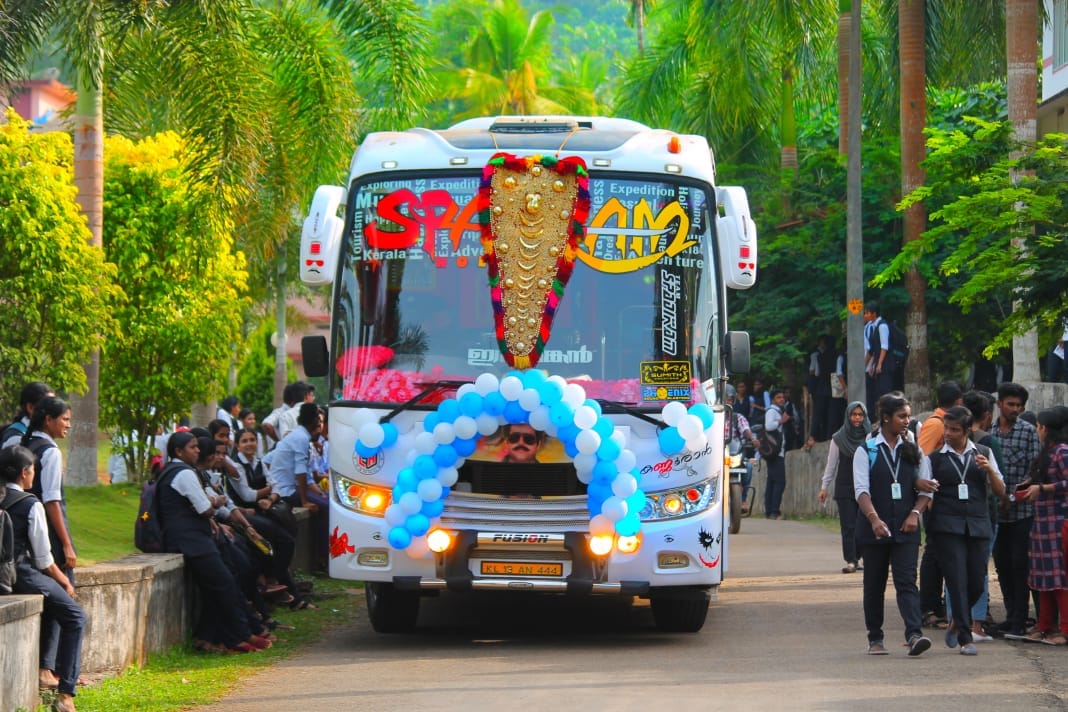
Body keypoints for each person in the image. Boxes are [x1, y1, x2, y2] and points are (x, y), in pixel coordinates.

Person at [157, 432, 272, 654]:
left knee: (219, 584)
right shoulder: (184, 474)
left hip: (189, 537)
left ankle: (209, 637)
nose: (197, 450)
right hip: (191, 540)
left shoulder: (173, 471)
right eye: (192, 447)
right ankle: (239, 636)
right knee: (224, 583)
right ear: (179, 451)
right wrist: (214, 501)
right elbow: (206, 509)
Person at [1, 445, 85, 712]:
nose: (33, 475)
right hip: (21, 575)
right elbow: (44, 560)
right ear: (25, 472)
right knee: (75, 616)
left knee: (52, 604)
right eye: (33, 470)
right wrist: (64, 581)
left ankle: (45, 669)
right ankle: (65, 695)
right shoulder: (30, 504)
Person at [853, 393, 934, 656]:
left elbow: (927, 489)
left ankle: (914, 635)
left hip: (906, 529)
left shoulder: (914, 450)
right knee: (874, 584)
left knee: (907, 582)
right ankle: (875, 638)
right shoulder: (867, 450)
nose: (907, 421)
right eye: (902, 416)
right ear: (886, 417)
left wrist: (915, 513)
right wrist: (874, 519)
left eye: (909, 416)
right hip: (874, 530)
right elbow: (861, 491)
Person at [927, 406, 1004, 655]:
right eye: (946, 429)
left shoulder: (983, 453)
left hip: (978, 524)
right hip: (947, 526)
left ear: (968, 430)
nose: (948, 433)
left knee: (977, 582)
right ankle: (965, 636)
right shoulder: (936, 458)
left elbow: (1001, 491)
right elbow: (927, 493)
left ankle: (956, 619)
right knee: (956, 580)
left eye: (954, 430)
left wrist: (989, 471)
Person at [992, 382, 1042, 639]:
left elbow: (1034, 470)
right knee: (1001, 563)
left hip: (1022, 513)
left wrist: (1011, 496)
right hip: (996, 514)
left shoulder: (1028, 432)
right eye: (1010, 404)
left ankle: (1020, 620)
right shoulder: (989, 433)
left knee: (1019, 565)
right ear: (999, 403)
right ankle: (1011, 614)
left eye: (1019, 406)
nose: (1014, 409)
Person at [1016, 406, 1068, 645]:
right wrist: (1029, 484)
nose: (1037, 430)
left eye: (1038, 426)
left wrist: (1043, 488)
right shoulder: (1047, 451)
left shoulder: (1062, 451)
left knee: (1060, 578)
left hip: (1059, 522)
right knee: (1043, 577)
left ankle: (1065, 629)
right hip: (1043, 522)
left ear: (1044, 428)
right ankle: (1045, 625)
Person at [916, 380, 963, 629]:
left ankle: (938, 605)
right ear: (958, 401)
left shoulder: (944, 424)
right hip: (935, 500)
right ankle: (929, 606)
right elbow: (922, 461)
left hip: (948, 501)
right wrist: (929, 499)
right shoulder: (935, 425)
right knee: (933, 554)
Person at [265, 403, 329, 568]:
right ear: (313, 420)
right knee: (325, 508)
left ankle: (322, 554)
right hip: (286, 491)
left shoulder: (302, 437)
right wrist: (305, 501)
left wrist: (319, 492)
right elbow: (300, 473)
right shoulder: (300, 437)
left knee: (326, 501)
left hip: (292, 488)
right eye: (318, 419)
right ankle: (322, 558)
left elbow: (306, 476)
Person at [819, 401, 868, 573]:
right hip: (845, 486)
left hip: (865, 488)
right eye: (854, 414)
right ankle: (851, 560)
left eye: (860, 415)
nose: (857, 418)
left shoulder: (870, 437)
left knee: (864, 524)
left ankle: (860, 558)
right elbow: (831, 465)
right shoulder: (838, 439)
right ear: (848, 416)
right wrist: (824, 487)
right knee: (848, 525)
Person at [725, 384, 760, 514]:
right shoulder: (714, 417)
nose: (728, 402)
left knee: (749, 467)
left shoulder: (738, 417)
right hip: (715, 455)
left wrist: (752, 439)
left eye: (730, 399)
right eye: (726, 399)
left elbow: (746, 430)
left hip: (733, 453)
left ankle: (743, 499)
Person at [862, 302, 897, 420]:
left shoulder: (882, 326)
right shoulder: (873, 327)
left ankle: (889, 416)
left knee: (885, 390)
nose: (865, 315)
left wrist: (880, 363)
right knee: (878, 392)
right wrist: (871, 364)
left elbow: (884, 347)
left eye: (867, 313)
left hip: (885, 365)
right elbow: (873, 350)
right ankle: (881, 417)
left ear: (874, 314)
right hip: (877, 364)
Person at [1, 381, 54, 448]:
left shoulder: (40, 433)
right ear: (30, 408)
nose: (54, 410)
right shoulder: (16, 439)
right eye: (48, 405)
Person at [764, 389, 790, 520]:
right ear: (773, 399)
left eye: (782, 397)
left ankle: (769, 511)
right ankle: (774, 511)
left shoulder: (777, 411)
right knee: (780, 481)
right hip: (775, 452)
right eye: (778, 397)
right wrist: (781, 421)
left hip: (775, 452)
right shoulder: (772, 411)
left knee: (772, 481)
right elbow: (768, 426)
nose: (782, 399)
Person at [808, 336, 837, 442]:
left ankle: (813, 436)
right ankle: (829, 436)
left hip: (822, 387)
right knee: (831, 414)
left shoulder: (819, 356)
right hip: (834, 388)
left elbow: (816, 372)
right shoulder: (837, 355)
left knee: (818, 413)